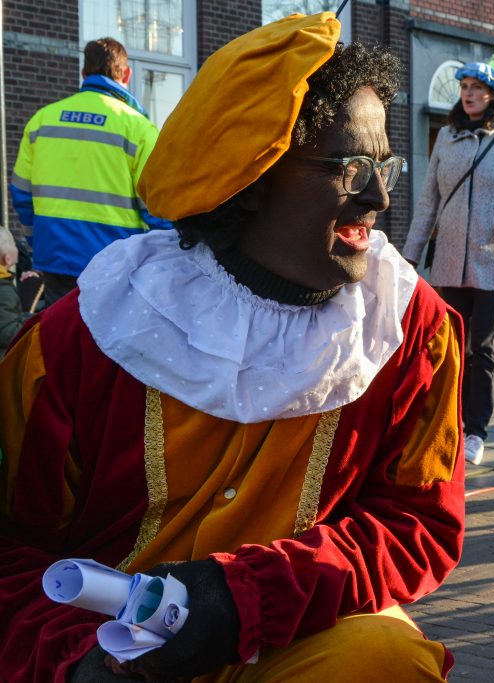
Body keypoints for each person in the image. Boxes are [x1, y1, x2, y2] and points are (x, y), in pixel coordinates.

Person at [0, 12, 465, 683]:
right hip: (110, 649)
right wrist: (74, 661)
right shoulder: (85, 336)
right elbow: (14, 545)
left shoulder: (411, 329)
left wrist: (244, 596)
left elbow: (417, 522)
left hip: (293, 638)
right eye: (350, 165)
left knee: (385, 657)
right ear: (252, 173)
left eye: (383, 162)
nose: (380, 195)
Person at [402, 54, 494, 466]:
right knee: (449, 347)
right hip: (449, 262)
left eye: (477, 88)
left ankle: (476, 431)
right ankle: (447, 423)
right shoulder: (446, 138)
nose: (469, 94)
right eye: (464, 88)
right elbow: (428, 201)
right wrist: (409, 257)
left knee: (481, 346)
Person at [9, 37, 172, 310]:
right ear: (127, 74)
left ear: (84, 74)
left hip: (55, 258)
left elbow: (22, 195)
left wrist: (40, 244)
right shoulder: (137, 127)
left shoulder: (42, 120)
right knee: (106, 345)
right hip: (115, 262)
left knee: (60, 340)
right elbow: (159, 206)